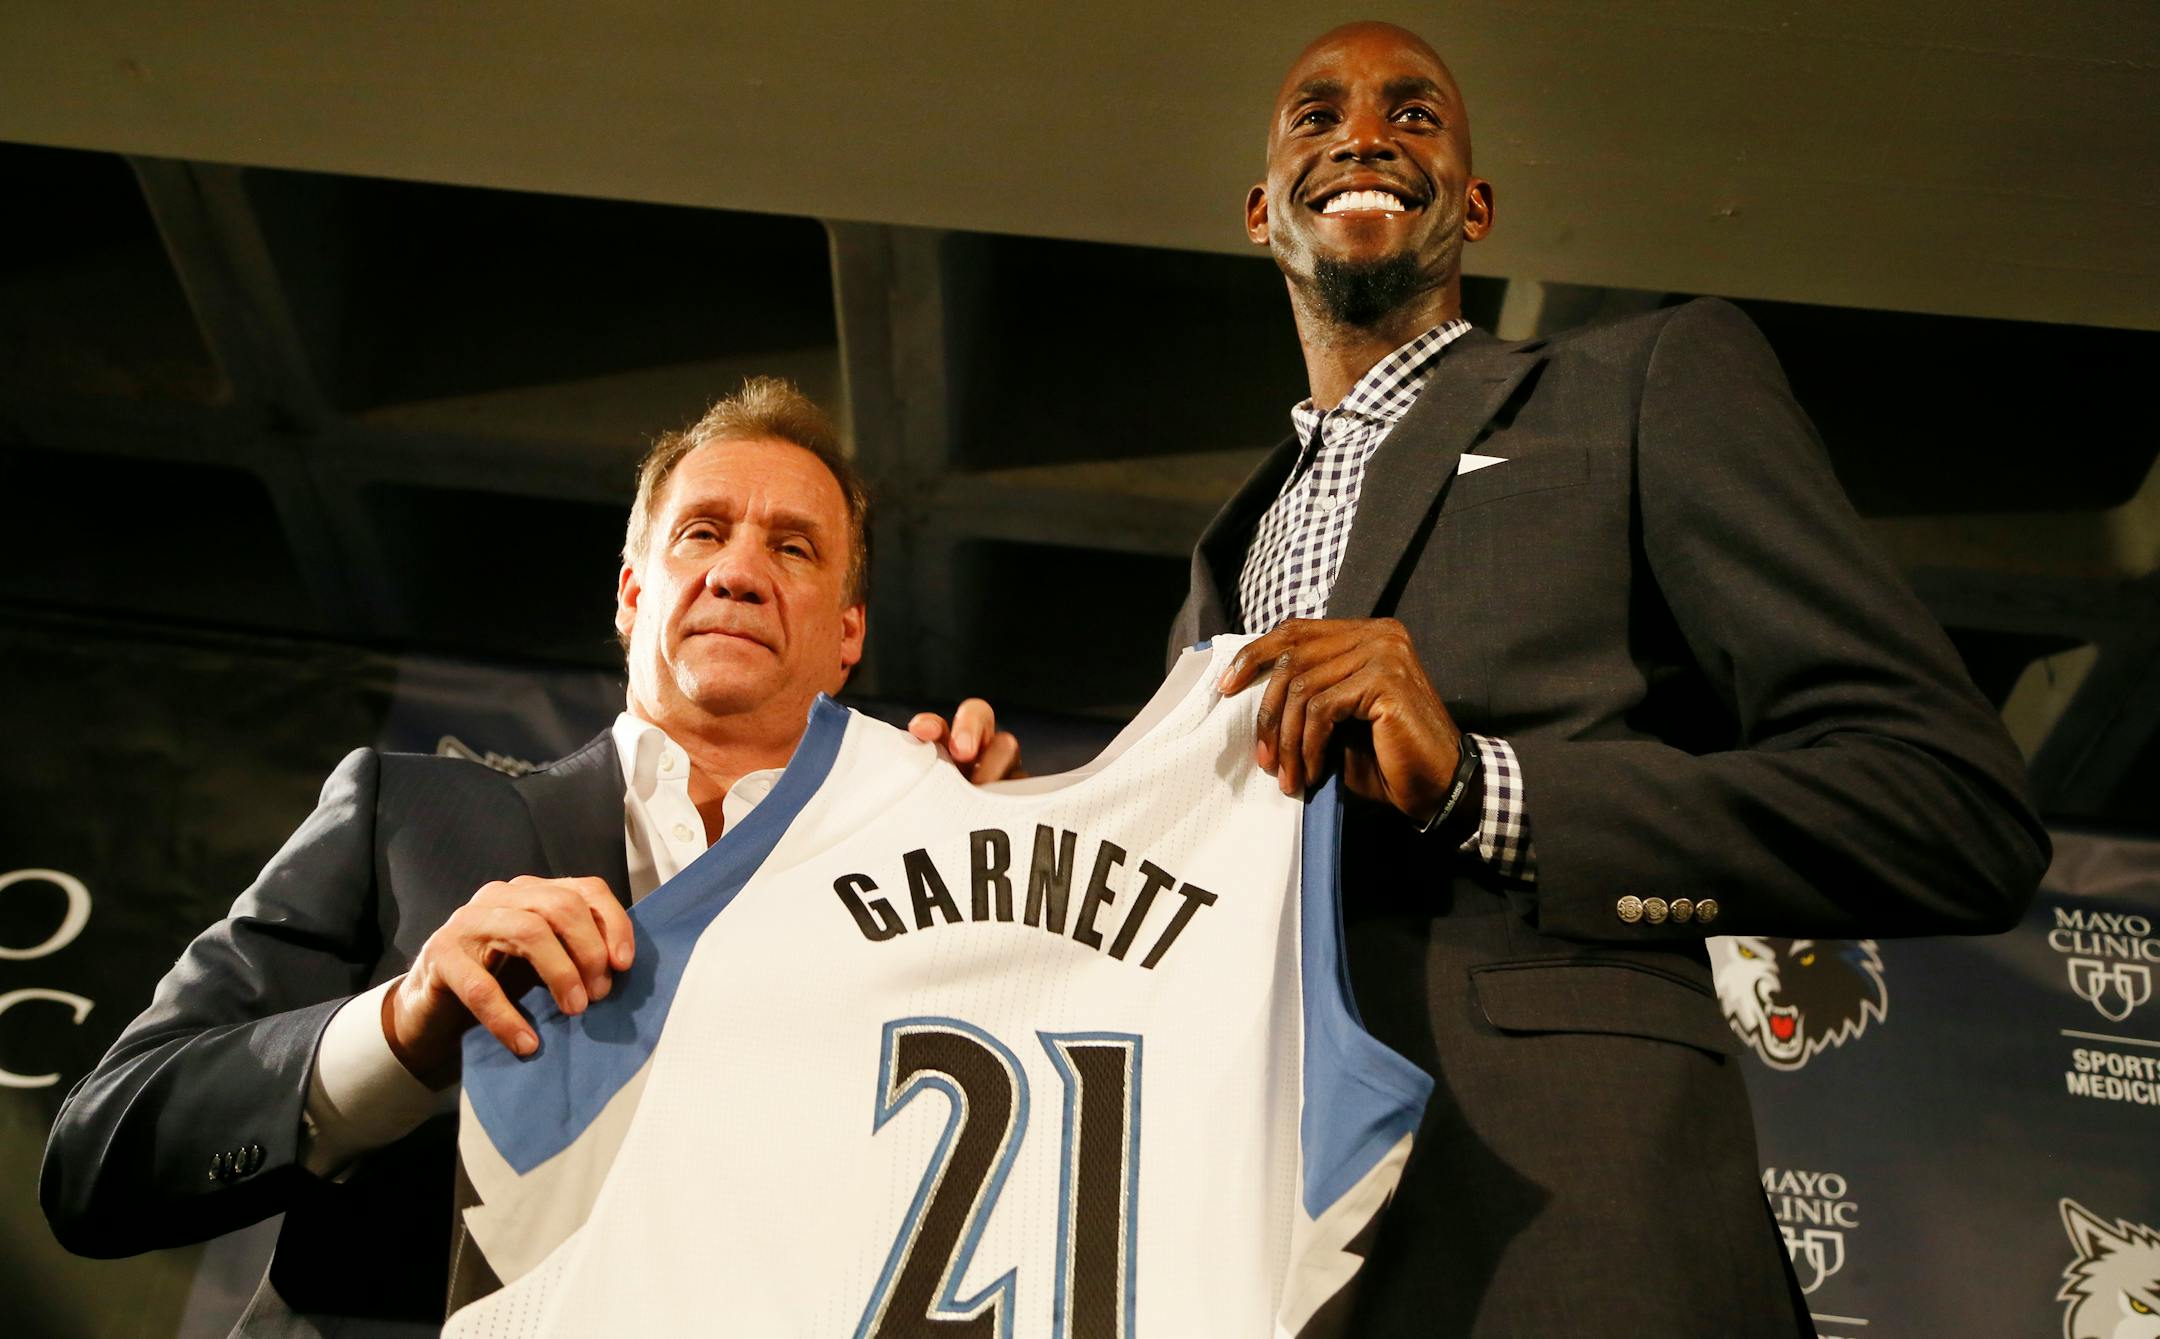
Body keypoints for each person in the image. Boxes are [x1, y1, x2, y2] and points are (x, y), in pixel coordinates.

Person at [1171, 21, 2050, 1336]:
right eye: (1316, 117)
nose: (1362, 134)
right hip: (1256, 1254)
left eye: (1415, 115)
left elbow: (1950, 803)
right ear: (1259, 212)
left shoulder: (1644, 381)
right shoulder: (1225, 549)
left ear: (1473, 204)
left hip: (1570, 1230)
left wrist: (1486, 786)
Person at [39, 378, 1019, 1337]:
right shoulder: (407, 815)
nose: (737, 572)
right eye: (702, 533)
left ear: (849, 631)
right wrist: (401, 1032)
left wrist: (1006, 880)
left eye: (793, 547)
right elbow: (101, 1155)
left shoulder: (940, 871)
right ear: (634, 592)